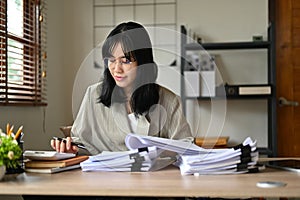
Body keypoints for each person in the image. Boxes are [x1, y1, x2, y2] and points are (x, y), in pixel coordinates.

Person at [50, 21, 193, 156]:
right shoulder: (93, 95)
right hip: (104, 180)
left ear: (143, 62)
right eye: (111, 60)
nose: (116, 69)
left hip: (152, 180)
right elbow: (81, 143)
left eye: (125, 61)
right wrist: (70, 149)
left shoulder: (169, 101)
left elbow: (186, 147)